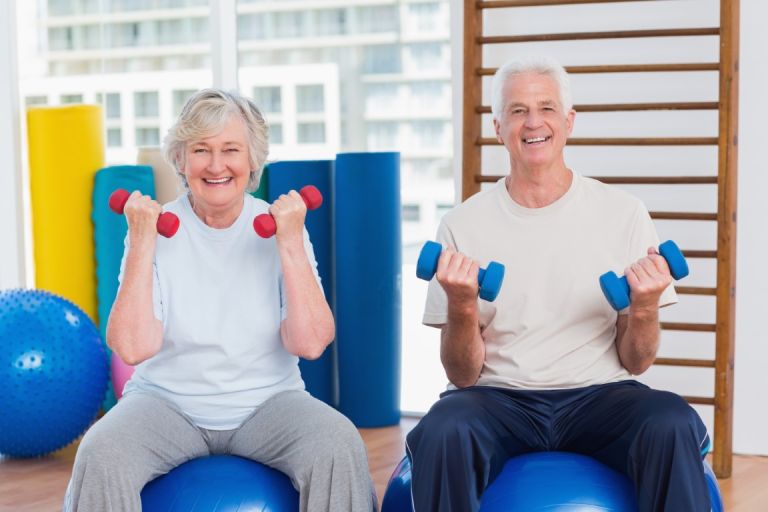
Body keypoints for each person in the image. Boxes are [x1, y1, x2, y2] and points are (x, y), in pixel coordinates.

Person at [405, 56, 711, 511]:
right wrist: (463, 306)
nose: (533, 123)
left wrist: (643, 308)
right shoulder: (461, 224)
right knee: (444, 428)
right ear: (497, 127)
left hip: (600, 395)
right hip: (498, 398)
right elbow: (462, 374)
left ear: (568, 122)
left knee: (671, 419)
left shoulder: (623, 212)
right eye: (517, 110)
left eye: (546, 108)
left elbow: (637, 361)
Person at [63, 89, 376, 512]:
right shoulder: (153, 232)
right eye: (201, 150)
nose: (215, 165)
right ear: (181, 159)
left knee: (338, 443)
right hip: (165, 403)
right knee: (101, 451)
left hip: (268, 403)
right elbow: (134, 347)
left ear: (252, 161)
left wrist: (289, 244)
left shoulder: (283, 228)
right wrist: (141, 242)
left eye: (230, 149)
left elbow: (311, 343)